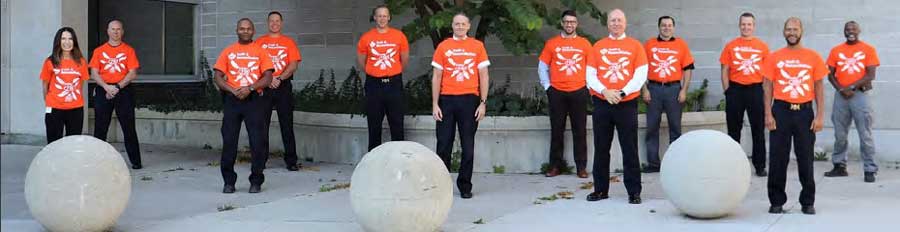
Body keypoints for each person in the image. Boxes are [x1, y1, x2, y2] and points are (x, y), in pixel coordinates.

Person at [761, 17, 827, 215]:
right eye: (788, 29)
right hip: (780, 111)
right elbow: (767, 87)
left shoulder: (813, 57)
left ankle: (808, 201)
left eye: (795, 29)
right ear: (783, 32)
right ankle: (776, 201)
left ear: (801, 31)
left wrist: (820, 115)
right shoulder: (773, 57)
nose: (792, 32)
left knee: (806, 158)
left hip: (805, 113)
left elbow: (819, 87)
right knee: (777, 158)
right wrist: (768, 114)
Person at [585, 9, 647, 204]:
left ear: (625, 23)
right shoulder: (598, 46)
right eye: (613, 20)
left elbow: (640, 75)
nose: (616, 23)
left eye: (619, 20)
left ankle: (634, 192)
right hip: (602, 103)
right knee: (601, 148)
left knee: (630, 149)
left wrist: (621, 93)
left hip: (626, 104)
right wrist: (605, 91)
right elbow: (590, 75)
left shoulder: (635, 46)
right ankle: (600, 190)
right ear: (608, 24)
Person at [431, 12, 490, 199]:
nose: (460, 26)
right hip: (446, 100)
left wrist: (483, 103)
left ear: (469, 26)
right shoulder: (443, 46)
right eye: (457, 24)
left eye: (463, 24)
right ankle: (442, 185)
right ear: (452, 26)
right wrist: (434, 104)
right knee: (443, 145)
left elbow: (484, 75)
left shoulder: (477, 46)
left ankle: (465, 185)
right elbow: (437, 76)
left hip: (470, 101)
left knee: (468, 146)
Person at [213, 18, 275, 194]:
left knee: (257, 142)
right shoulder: (228, 51)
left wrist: (250, 88)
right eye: (242, 28)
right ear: (237, 31)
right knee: (229, 141)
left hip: (254, 100)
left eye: (248, 29)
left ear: (253, 31)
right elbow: (217, 76)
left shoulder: (260, 51)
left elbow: (268, 77)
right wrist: (232, 90)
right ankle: (228, 182)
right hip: (232, 100)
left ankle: (256, 181)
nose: (245, 31)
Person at [824, 21, 880, 183]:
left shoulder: (868, 49)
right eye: (847, 29)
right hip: (841, 96)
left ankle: (870, 169)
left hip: (860, 96)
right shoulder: (836, 50)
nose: (850, 31)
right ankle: (839, 166)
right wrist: (842, 89)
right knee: (840, 134)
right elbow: (830, 75)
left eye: (853, 29)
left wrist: (851, 87)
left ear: (859, 31)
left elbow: (870, 75)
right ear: (844, 31)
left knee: (865, 133)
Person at [537, 10, 591, 178]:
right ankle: (555, 166)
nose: (569, 25)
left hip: (579, 92)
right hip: (557, 93)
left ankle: (581, 167)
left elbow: (592, 68)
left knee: (580, 131)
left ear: (576, 24)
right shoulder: (552, 43)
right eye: (566, 22)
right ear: (562, 23)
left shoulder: (584, 43)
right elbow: (542, 66)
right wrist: (548, 87)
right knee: (556, 130)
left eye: (572, 22)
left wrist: (588, 87)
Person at [641, 15, 694, 173]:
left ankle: (675, 163)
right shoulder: (649, 44)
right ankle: (653, 164)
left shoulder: (681, 45)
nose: (666, 28)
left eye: (669, 25)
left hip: (674, 90)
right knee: (652, 128)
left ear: (673, 27)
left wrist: (684, 90)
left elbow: (688, 69)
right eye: (663, 25)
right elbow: (641, 69)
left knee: (675, 128)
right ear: (659, 27)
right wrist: (644, 89)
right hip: (654, 89)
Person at [720, 12, 770, 177]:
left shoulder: (762, 46)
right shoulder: (731, 45)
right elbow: (725, 70)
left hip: (755, 90)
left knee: (758, 130)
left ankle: (760, 165)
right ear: (739, 25)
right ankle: (733, 165)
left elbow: (767, 74)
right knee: (734, 130)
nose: (746, 27)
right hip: (735, 90)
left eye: (749, 24)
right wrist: (727, 91)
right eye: (743, 24)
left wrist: (765, 93)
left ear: (753, 26)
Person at [89, 19, 143, 169]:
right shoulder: (99, 51)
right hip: (103, 89)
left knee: (129, 127)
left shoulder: (128, 50)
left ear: (122, 31)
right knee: (100, 127)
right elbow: (94, 73)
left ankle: (136, 162)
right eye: (113, 29)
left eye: (118, 29)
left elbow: (132, 73)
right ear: (108, 31)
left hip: (123, 90)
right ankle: (96, 162)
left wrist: (117, 87)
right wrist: (107, 87)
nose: (116, 32)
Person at [357, 5, 409, 151]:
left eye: (385, 15)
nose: (382, 18)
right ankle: (374, 161)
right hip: (374, 84)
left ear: (389, 17)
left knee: (397, 123)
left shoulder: (399, 36)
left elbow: (404, 59)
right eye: (379, 16)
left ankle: (399, 159)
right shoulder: (366, 37)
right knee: (374, 125)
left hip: (394, 83)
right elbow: (362, 61)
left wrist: (394, 71)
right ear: (374, 18)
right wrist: (373, 71)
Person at [257, 11, 302, 171]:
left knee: (287, 124)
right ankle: (260, 160)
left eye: (277, 21)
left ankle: (291, 161)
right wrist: (268, 80)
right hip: (264, 86)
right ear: (267, 23)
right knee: (262, 125)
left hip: (283, 86)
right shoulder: (259, 43)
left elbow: (293, 65)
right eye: (271, 21)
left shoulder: (288, 42)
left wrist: (280, 78)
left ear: (281, 23)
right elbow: (256, 65)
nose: (274, 23)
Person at [41, 27, 89, 144]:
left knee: (73, 144)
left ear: (74, 41)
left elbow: (80, 85)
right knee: (53, 144)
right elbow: (44, 86)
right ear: (58, 41)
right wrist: (50, 103)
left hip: (76, 109)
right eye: (63, 39)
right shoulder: (50, 61)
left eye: (70, 39)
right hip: (54, 108)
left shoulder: (81, 62)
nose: (67, 42)